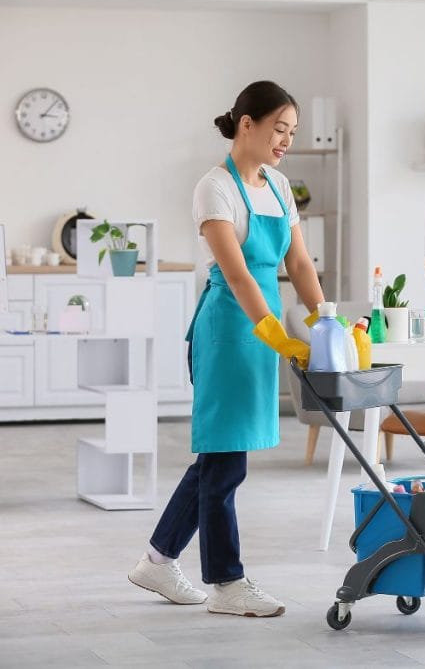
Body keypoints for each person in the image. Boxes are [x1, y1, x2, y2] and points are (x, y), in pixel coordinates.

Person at [128, 81, 323, 617]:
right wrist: (276, 333)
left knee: (219, 457)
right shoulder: (214, 188)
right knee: (224, 460)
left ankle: (158, 558)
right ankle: (226, 582)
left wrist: (323, 318)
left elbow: (299, 263)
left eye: (292, 132)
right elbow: (237, 275)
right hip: (228, 330)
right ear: (247, 124)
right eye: (279, 129)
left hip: (260, 329)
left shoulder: (279, 186)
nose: (286, 141)